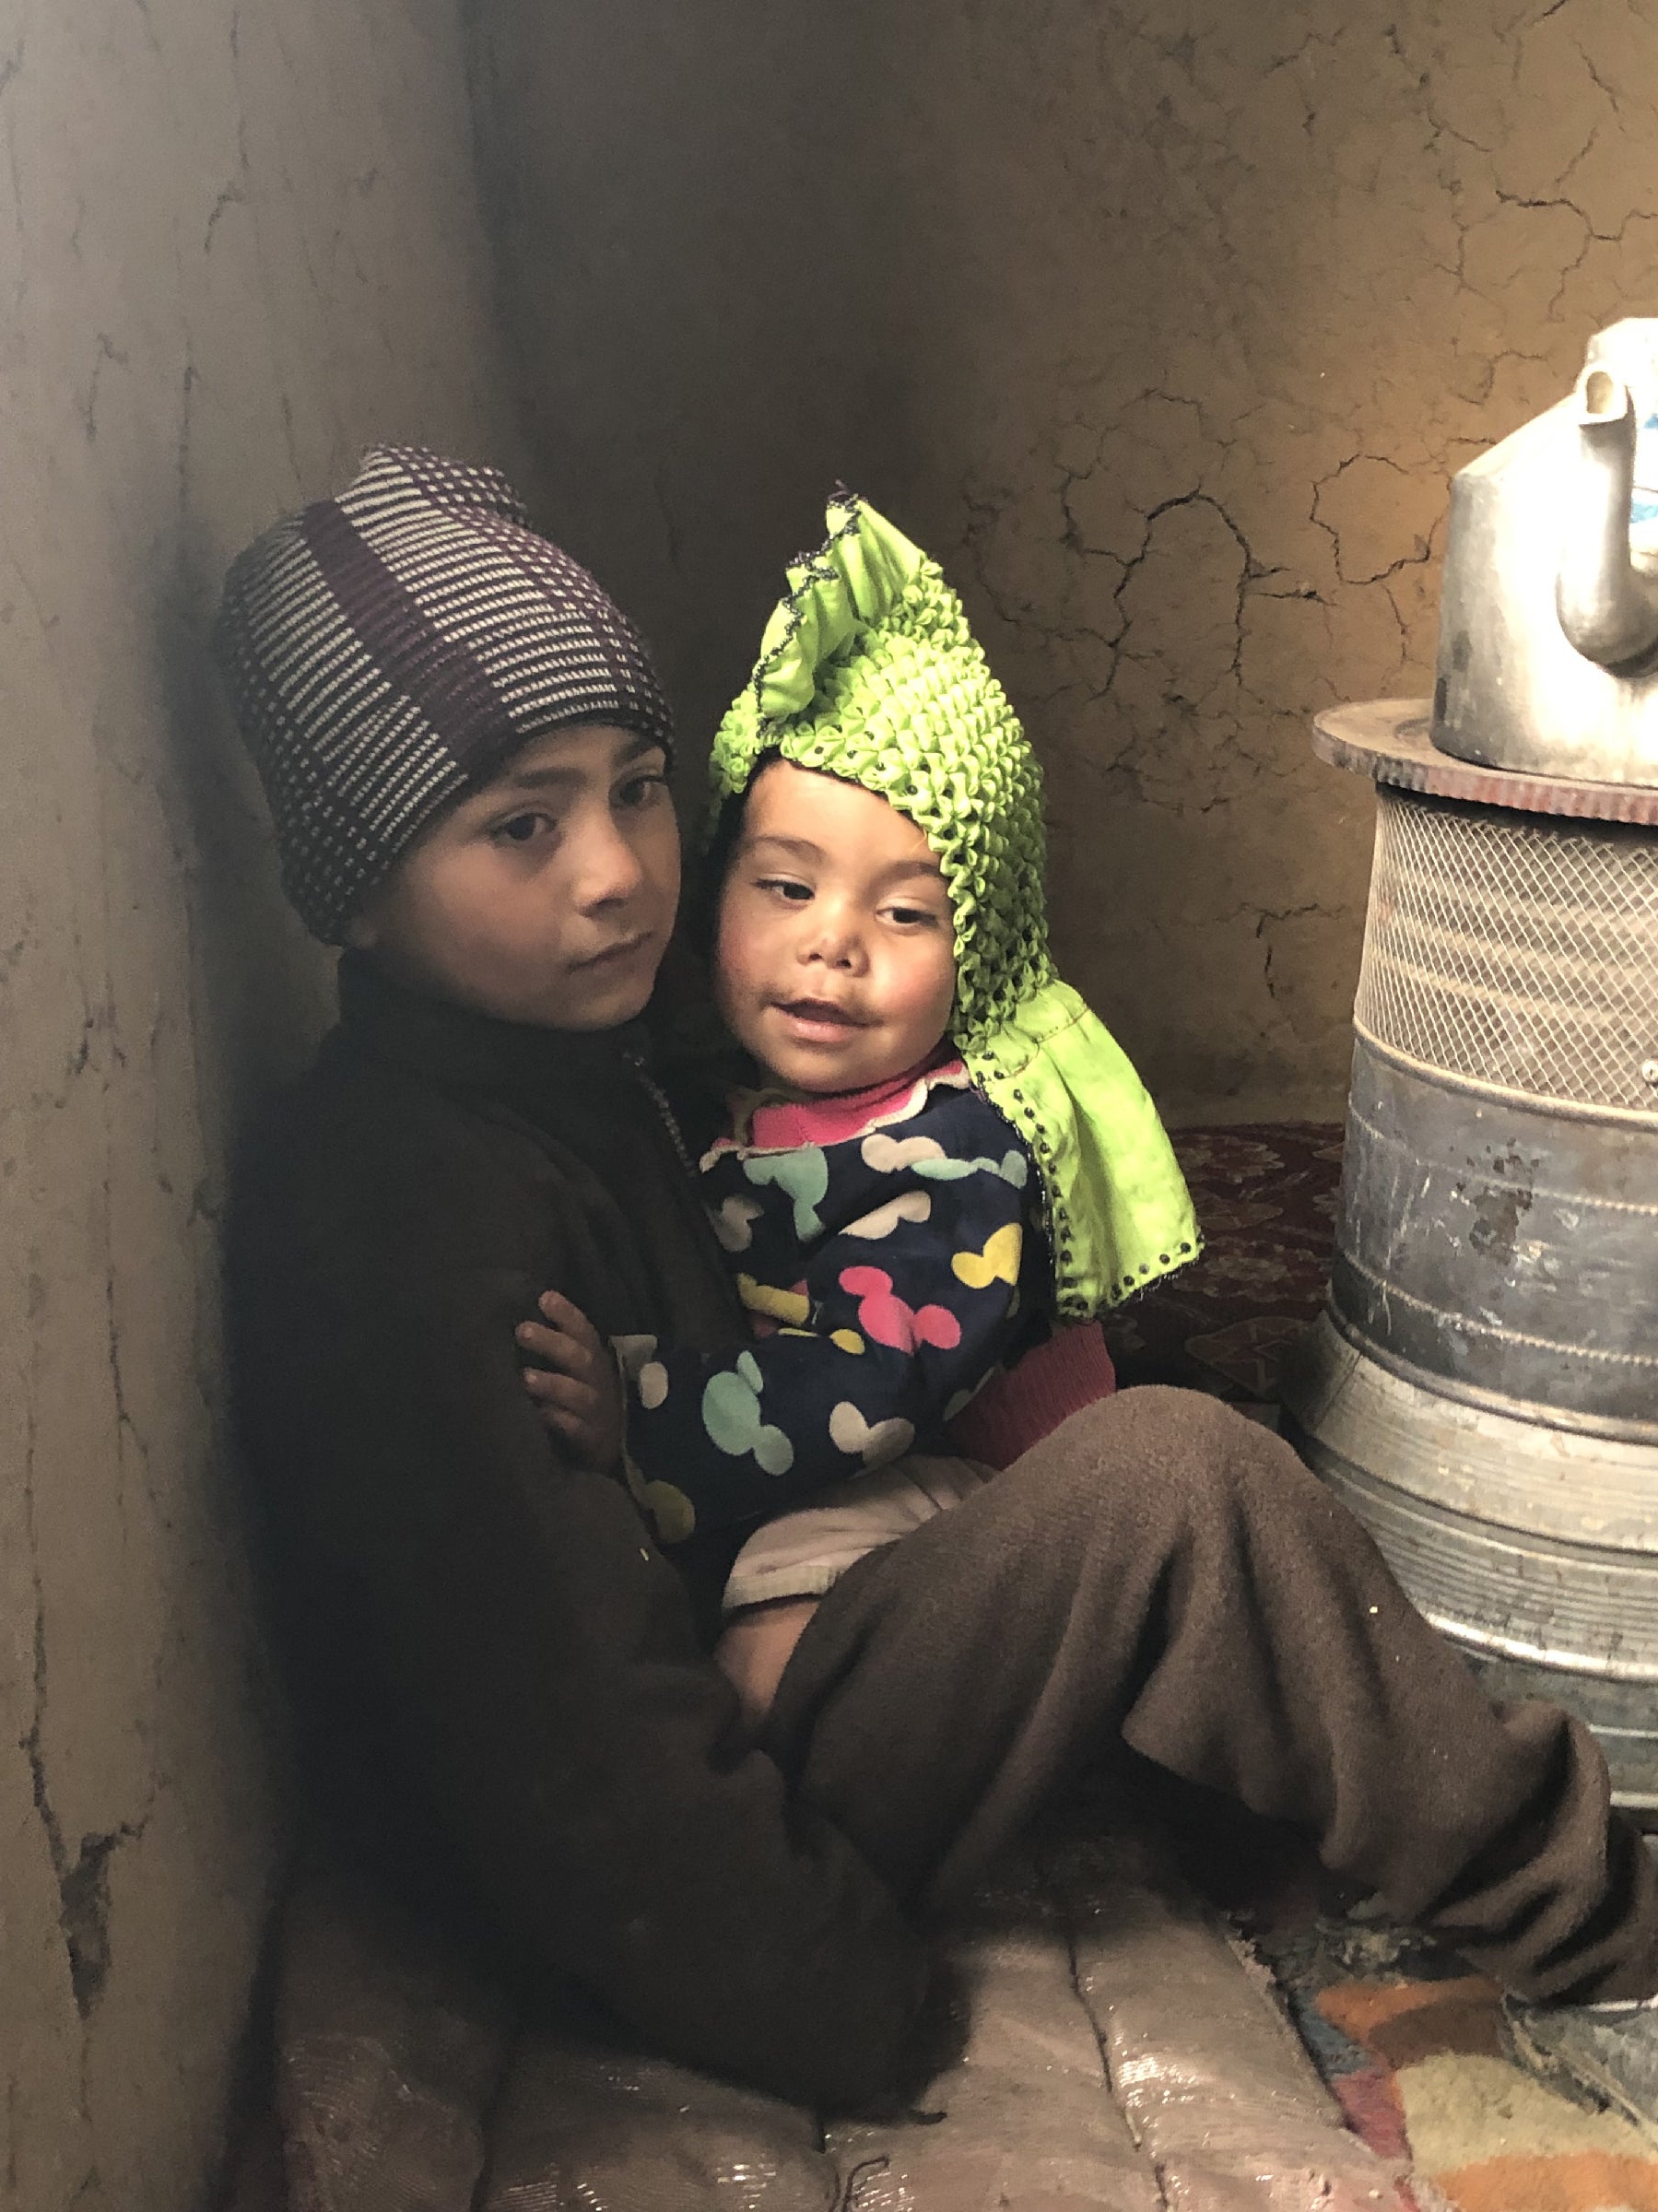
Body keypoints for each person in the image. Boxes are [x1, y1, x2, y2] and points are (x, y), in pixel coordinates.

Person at [219, 445, 1658, 2145]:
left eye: (635, 787)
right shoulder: (401, 1210)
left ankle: (1358, 1810)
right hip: (729, 1809)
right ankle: (1611, 1930)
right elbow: (562, 1744)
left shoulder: (573, 1053)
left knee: (1161, 1474)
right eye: (518, 825)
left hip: (787, 1613)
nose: (613, 872)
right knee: (1178, 1488)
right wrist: (867, 2014)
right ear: (360, 895)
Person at [512, 495, 1196, 1724]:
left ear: (977, 953)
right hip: (797, 1432)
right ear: (717, 889)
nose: (833, 949)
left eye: (907, 913)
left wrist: (640, 1419)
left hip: (963, 1467)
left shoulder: (962, 1156)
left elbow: (865, 1393)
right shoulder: (709, 1089)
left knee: (767, 1650)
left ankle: (865, 1818)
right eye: (786, 887)